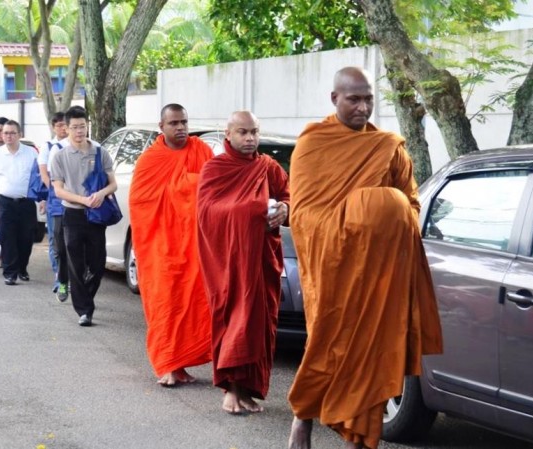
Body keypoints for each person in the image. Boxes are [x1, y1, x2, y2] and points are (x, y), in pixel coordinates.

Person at [286, 67, 443, 449]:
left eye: (368, 98)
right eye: (354, 99)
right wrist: (357, 216)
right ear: (335, 99)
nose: (363, 107)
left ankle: (358, 436)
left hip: (379, 272)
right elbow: (303, 216)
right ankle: (301, 420)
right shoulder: (313, 144)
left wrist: (384, 213)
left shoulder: (388, 146)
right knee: (325, 346)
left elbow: (411, 203)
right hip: (334, 267)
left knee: (374, 353)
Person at [197, 110, 290, 414]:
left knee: (259, 323)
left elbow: (289, 196)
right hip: (228, 264)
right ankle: (230, 391)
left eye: (254, 132)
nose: (250, 138)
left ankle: (247, 391)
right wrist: (253, 210)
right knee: (234, 317)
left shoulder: (268, 167)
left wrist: (284, 210)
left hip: (262, 259)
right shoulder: (215, 169)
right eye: (243, 132)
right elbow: (207, 213)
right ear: (228, 134)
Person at [129, 103, 213, 386]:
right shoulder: (150, 160)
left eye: (184, 122)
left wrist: (187, 183)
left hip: (193, 247)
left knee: (190, 305)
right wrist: (187, 185)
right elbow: (140, 201)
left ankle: (181, 365)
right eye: (174, 123)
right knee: (165, 304)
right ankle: (166, 365)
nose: (180, 128)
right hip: (160, 249)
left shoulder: (201, 151)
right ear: (161, 126)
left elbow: (214, 187)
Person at [50, 106, 117, 327]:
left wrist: (100, 194)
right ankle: (85, 310)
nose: (80, 131)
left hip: (96, 214)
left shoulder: (100, 152)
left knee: (97, 264)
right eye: (75, 127)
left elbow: (113, 183)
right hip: (73, 213)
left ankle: (86, 297)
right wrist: (82, 200)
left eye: (83, 126)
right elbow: (58, 190)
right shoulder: (59, 156)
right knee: (75, 263)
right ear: (66, 129)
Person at [0, 120, 39, 285]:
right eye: (5, 133)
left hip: (26, 202)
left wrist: (42, 199)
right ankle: (10, 273)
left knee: (25, 239)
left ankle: (22, 268)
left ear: (19, 135)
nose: (8, 136)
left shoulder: (31, 153)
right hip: (4, 202)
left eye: (12, 133)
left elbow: (38, 179)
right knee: (7, 238)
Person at [38, 111, 69, 298]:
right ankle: (59, 276)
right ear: (53, 127)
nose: (63, 129)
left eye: (66, 125)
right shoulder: (49, 147)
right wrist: (54, 193)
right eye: (59, 125)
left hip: (72, 199)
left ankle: (67, 277)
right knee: (54, 240)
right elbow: (44, 174)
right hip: (55, 199)